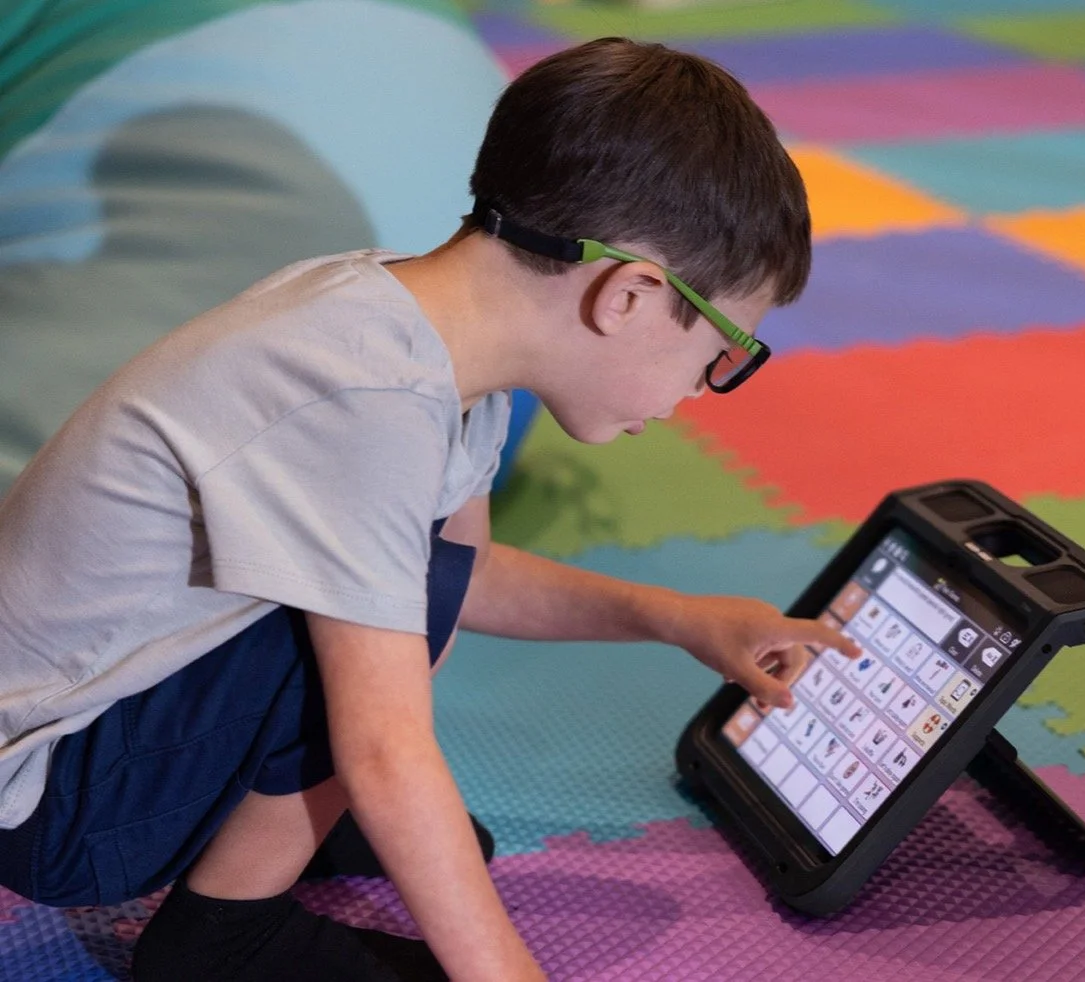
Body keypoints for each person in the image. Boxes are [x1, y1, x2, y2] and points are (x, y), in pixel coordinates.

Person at [0, 37, 858, 982]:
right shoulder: (370, 397)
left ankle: (270, 820)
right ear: (629, 295)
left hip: (96, 726)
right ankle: (224, 937)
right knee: (396, 625)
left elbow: (470, 578)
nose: (701, 389)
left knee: (420, 590)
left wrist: (681, 618)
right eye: (721, 354)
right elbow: (384, 746)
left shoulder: (419, 333)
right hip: (47, 793)